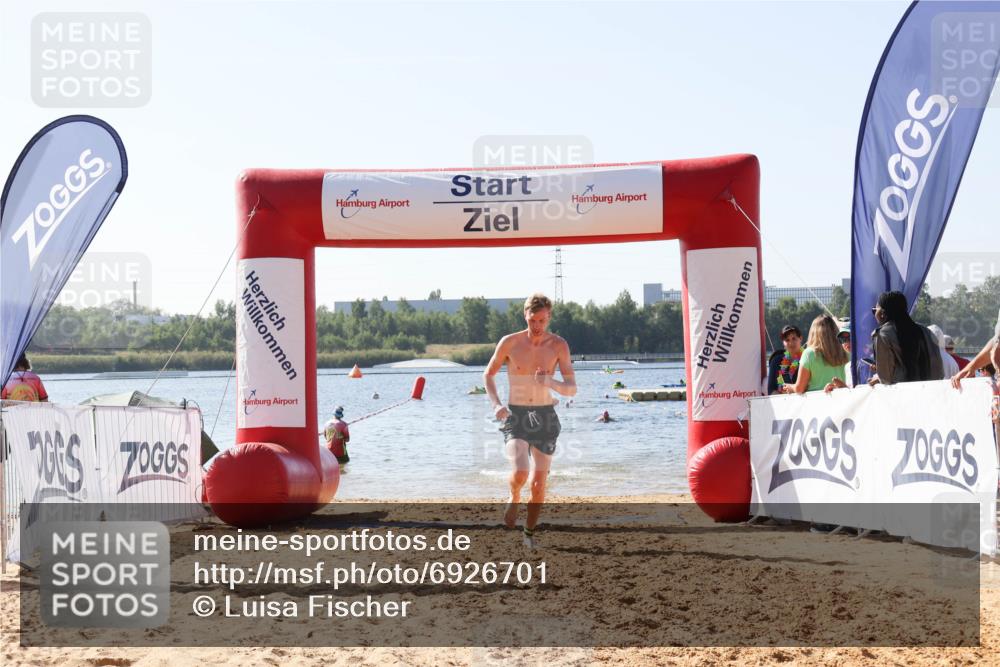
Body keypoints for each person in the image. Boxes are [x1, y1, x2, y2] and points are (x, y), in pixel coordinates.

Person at [484, 293, 577, 548]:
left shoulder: (559, 345)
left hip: (546, 416)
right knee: (521, 472)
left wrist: (549, 382)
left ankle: (529, 533)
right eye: (533, 320)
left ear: (549, 318)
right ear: (525, 315)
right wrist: (497, 404)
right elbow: (488, 375)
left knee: (538, 485)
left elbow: (571, 388)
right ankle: (513, 495)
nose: (537, 326)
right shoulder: (510, 343)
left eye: (542, 321)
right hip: (516, 415)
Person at [868, 291, 943, 385]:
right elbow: (939, 372)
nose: (875, 314)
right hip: (929, 392)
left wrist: (878, 376)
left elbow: (885, 378)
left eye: (875, 310)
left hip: (901, 395)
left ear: (882, 313)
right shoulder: (926, 332)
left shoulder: (882, 334)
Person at [782, 315, 848, 394]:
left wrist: (790, 387)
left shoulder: (809, 354)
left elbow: (799, 389)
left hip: (816, 403)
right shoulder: (846, 352)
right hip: (843, 401)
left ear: (813, 332)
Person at [767, 325, 804, 395]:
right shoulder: (776, 361)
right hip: (782, 402)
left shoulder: (806, 359)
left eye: (794, 338)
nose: (791, 343)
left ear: (800, 338)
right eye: (787, 340)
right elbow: (771, 389)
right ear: (783, 343)